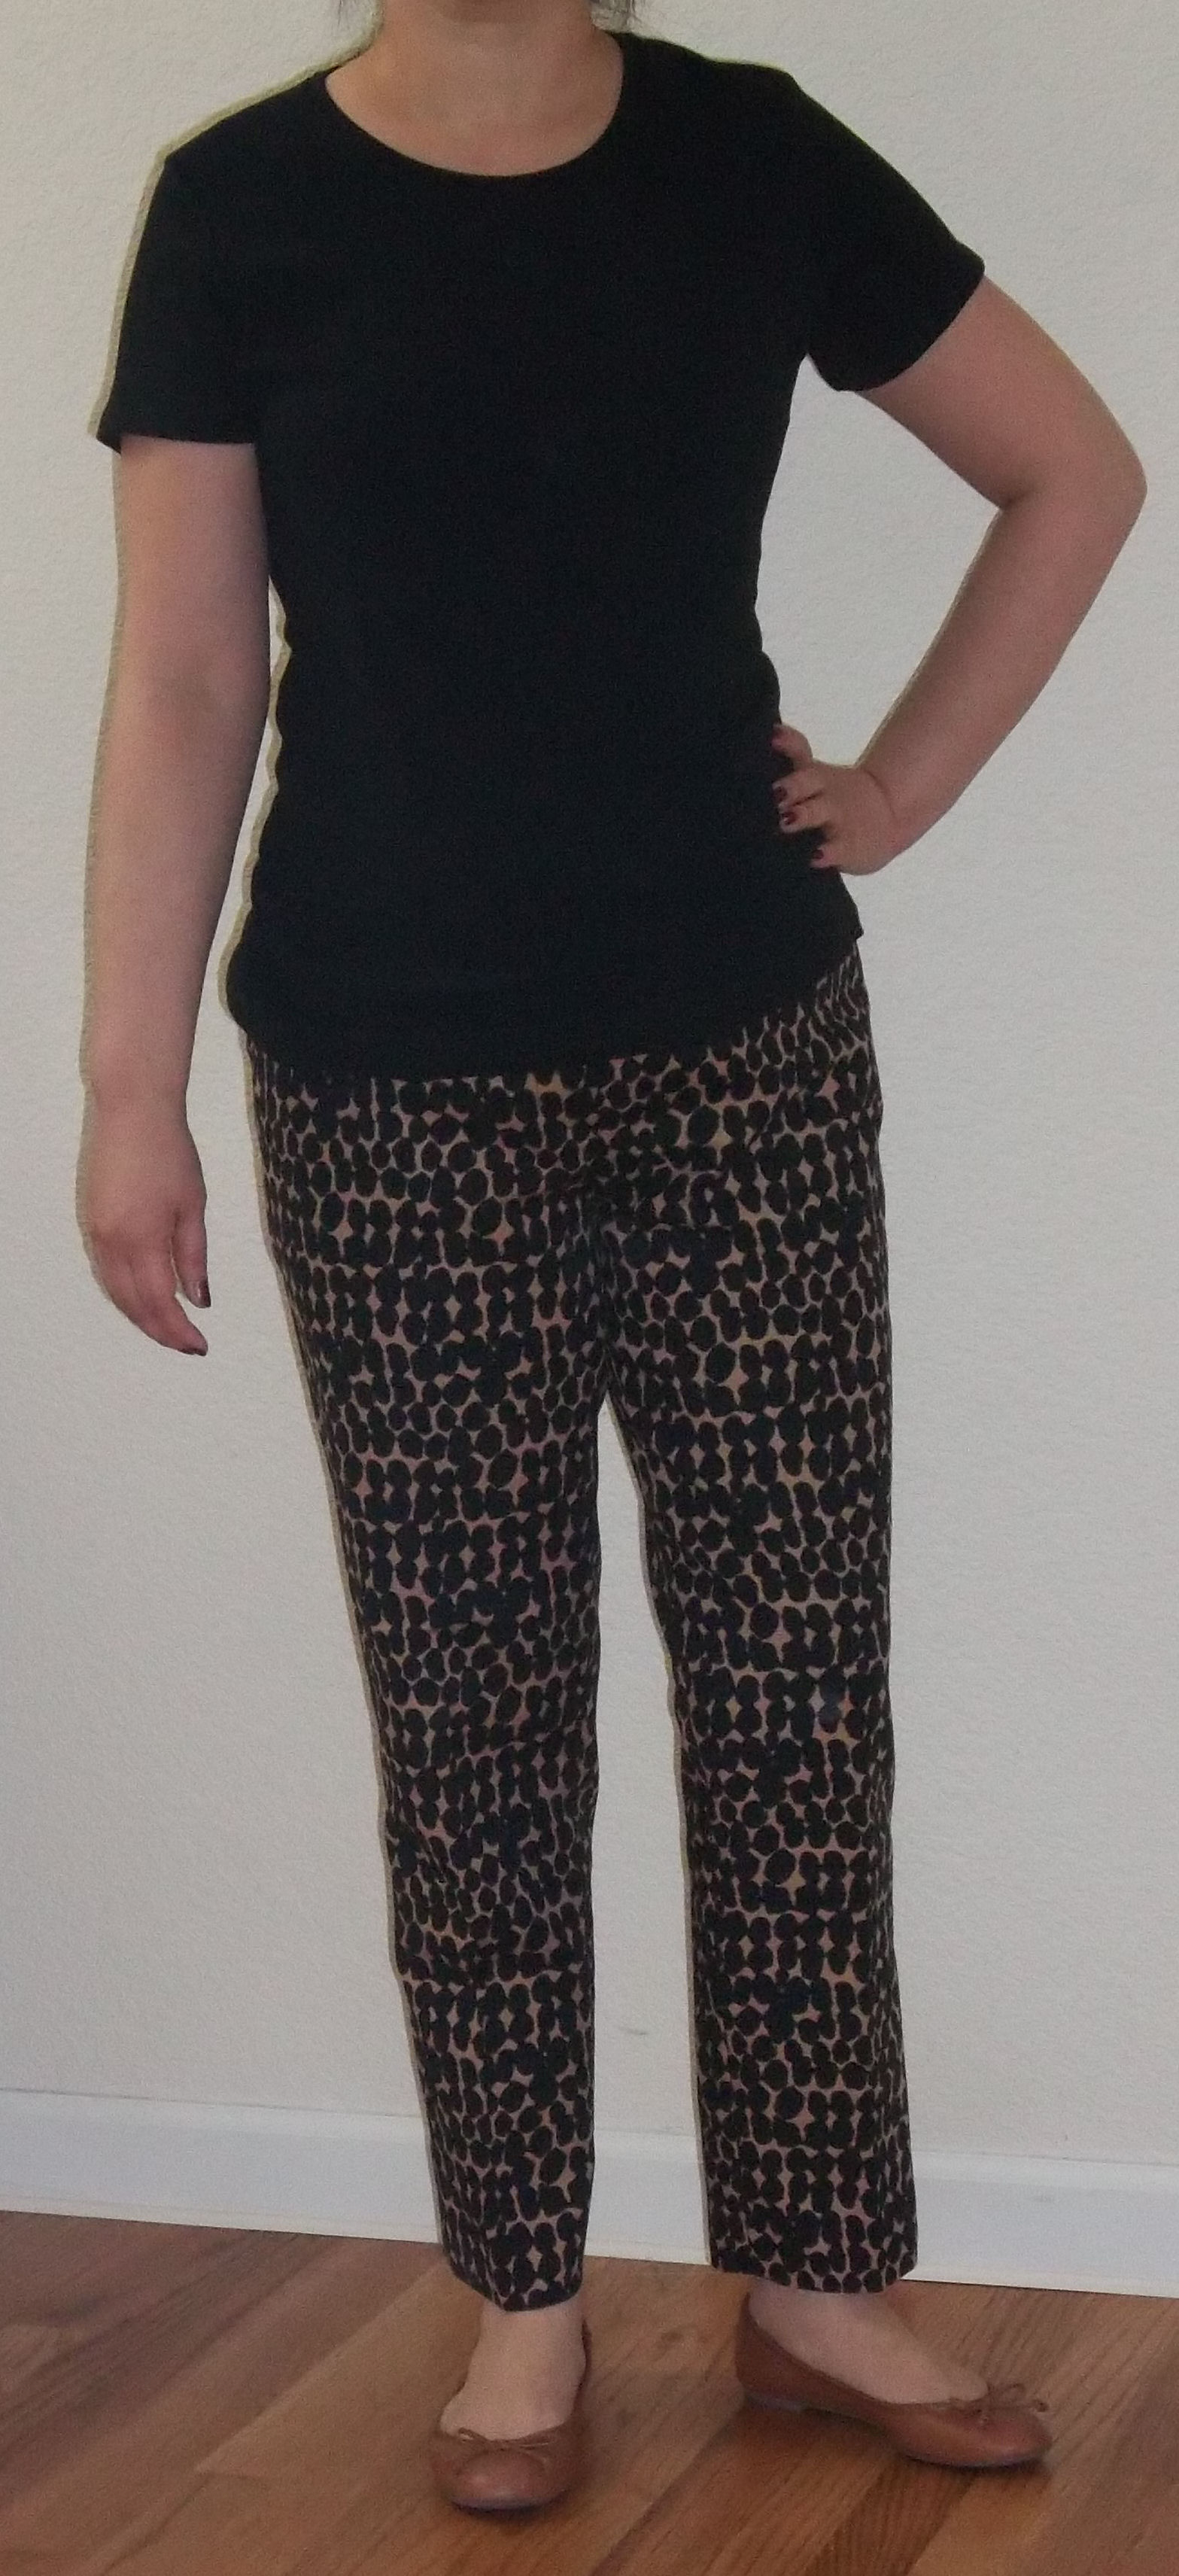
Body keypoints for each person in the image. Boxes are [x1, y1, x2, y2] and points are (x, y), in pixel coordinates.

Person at [80, 0, 1144, 2518]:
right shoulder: (245, 211)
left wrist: (905, 783)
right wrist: (130, 1087)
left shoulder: (750, 159)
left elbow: (1075, 470)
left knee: (795, 1687)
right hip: (387, 1078)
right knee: (474, 1720)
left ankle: (820, 2279)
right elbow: (189, 669)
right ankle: (523, 2303)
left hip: (741, 1050)